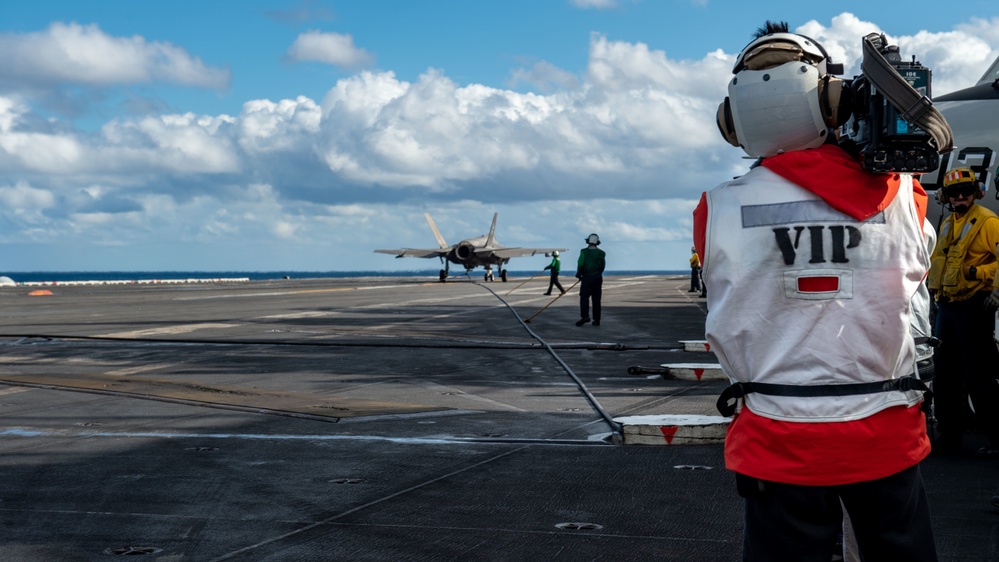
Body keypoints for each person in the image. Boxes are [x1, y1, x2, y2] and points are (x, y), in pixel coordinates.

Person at [694, 21, 938, 560]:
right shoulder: (905, 196)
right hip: (885, 433)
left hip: (777, 437)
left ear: (734, 119)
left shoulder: (716, 209)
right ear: (831, 102)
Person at [927, 167, 999, 457]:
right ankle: (950, 437)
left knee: (980, 376)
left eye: (966, 192)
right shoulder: (947, 224)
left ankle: (996, 437)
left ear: (976, 193)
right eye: (954, 193)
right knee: (945, 375)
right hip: (947, 307)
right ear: (946, 197)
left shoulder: (988, 222)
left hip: (974, 306)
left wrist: (984, 280)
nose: (960, 197)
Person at [575, 233, 605, 326]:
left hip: (587, 277)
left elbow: (580, 263)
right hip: (597, 277)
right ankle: (597, 320)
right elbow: (602, 266)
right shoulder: (601, 253)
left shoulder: (583, 252)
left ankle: (585, 316)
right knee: (596, 299)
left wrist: (579, 274)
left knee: (584, 297)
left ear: (588, 241)